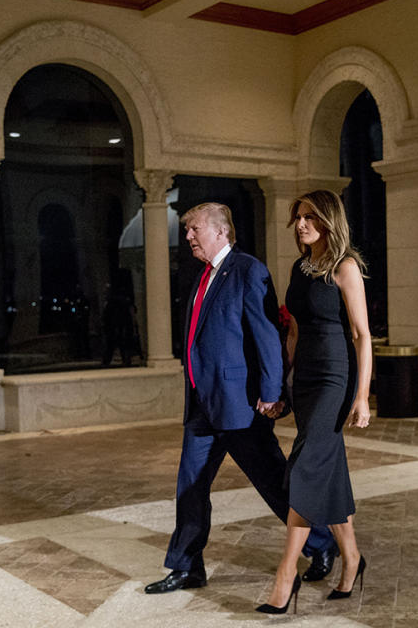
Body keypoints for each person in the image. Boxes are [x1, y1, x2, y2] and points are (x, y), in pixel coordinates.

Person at [144, 202, 338, 595]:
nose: (188, 237)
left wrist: (272, 392)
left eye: (193, 229)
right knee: (190, 487)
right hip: (202, 405)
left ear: (219, 231)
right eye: (188, 231)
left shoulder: (248, 270)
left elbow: (267, 336)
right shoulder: (203, 277)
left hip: (241, 405)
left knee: (273, 483)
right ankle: (187, 567)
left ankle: (322, 543)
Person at [257, 189, 372, 614]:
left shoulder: (347, 268)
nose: (301, 224)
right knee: (328, 468)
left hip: (334, 380)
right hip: (304, 380)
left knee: (304, 468)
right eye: (299, 218)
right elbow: (293, 332)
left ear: (329, 221)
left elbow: (362, 336)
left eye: (310, 217)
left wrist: (361, 396)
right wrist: (281, 383)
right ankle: (353, 558)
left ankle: (285, 576)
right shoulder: (300, 269)